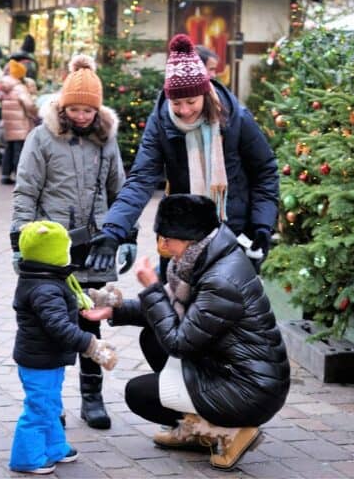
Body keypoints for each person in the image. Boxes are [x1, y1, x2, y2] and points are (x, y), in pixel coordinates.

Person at [81, 194, 290, 470]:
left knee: (139, 393)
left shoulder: (220, 280)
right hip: (235, 371)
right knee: (152, 337)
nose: (162, 246)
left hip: (251, 391)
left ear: (189, 237)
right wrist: (114, 311)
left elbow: (179, 342)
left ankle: (228, 432)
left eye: (167, 238)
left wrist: (151, 288)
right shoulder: (207, 257)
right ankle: (196, 430)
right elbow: (171, 312)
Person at [10, 54, 136, 430]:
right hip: (53, 247)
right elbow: (26, 190)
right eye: (75, 109)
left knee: (90, 319)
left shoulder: (105, 140)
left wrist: (125, 237)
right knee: (56, 322)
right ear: (64, 106)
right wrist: (19, 239)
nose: (82, 116)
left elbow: (120, 190)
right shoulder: (42, 137)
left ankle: (92, 397)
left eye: (88, 110)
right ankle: (53, 401)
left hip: (95, 245)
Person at [86, 33, 279, 276]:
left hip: (233, 232)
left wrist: (262, 225)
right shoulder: (160, 123)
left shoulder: (235, 117)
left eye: (191, 101)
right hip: (181, 233)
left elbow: (265, 171)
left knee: (223, 306)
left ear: (204, 94)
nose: (184, 110)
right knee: (175, 306)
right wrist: (112, 231)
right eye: (176, 103)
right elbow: (141, 180)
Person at [9, 220, 117, 475]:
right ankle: (26, 458)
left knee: (51, 404)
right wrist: (90, 344)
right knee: (38, 408)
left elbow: (75, 295)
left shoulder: (48, 276)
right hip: (39, 360)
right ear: (53, 254)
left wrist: (100, 297)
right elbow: (59, 327)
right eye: (66, 250)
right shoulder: (45, 288)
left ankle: (55, 447)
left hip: (49, 359)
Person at [0, 59, 37, 185]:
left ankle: (5, 174)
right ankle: (19, 175)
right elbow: (29, 104)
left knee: (9, 148)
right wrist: (34, 114)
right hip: (20, 123)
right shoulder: (19, 87)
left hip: (9, 123)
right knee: (19, 150)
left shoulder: (4, 87)